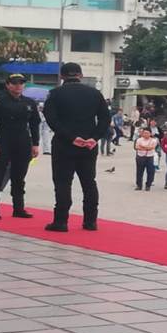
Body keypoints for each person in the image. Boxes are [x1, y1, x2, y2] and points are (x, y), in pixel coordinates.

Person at [43, 63, 110, 232]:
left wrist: (71, 138)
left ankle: (61, 221)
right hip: (88, 146)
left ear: (62, 76)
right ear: (80, 75)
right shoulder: (95, 94)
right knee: (89, 182)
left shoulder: (55, 94)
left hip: (64, 144)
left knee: (63, 183)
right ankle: (90, 221)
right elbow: (105, 118)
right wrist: (94, 138)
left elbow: (51, 119)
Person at [0, 74, 40, 220]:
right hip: (3, 140)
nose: (18, 86)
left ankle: (18, 208)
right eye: (15, 83)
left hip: (23, 141)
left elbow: (34, 124)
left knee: (19, 176)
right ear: (8, 85)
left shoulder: (29, 102)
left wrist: (35, 144)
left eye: (21, 83)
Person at [134, 127, 158, 191]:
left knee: (150, 172)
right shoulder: (139, 140)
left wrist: (142, 147)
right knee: (139, 172)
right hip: (140, 156)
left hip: (150, 157)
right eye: (144, 133)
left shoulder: (154, 140)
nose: (146, 134)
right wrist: (146, 147)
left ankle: (148, 185)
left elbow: (152, 148)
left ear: (150, 133)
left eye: (147, 133)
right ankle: (139, 185)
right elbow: (137, 147)